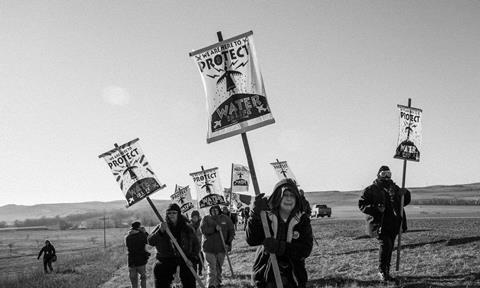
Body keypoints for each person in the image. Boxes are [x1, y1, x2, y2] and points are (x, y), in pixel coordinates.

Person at [246, 178, 313, 288]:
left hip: (293, 278)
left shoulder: (302, 220)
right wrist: (255, 216)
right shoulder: (266, 216)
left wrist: (280, 247)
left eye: (292, 195)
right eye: (285, 195)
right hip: (265, 276)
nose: (289, 199)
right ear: (278, 196)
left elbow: (305, 250)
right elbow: (252, 239)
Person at [358, 165, 411, 281]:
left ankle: (386, 270)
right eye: (383, 174)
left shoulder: (395, 188)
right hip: (380, 223)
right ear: (378, 175)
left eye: (388, 173)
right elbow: (362, 205)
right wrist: (376, 208)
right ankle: (382, 271)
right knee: (385, 245)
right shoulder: (371, 189)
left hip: (394, 222)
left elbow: (404, 202)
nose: (386, 176)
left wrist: (405, 194)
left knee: (390, 246)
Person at [148, 203, 200, 288]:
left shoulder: (187, 228)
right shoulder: (162, 226)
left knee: (190, 282)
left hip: (185, 259)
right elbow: (150, 241)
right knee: (159, 271)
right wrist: (160, 231)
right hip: (166, 259)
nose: (171, 215)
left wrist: (192, 258)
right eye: (169, 213)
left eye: (174, 213)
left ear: (178, 214)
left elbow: (196, 245)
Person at [201, 205, 235, 288]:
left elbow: (231, 231)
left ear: (219, 210)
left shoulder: (226, 219)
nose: (214, 211)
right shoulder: (206, 219)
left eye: (216, 210)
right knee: (212, 267)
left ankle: (218, 283)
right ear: (210, 211)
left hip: (221, 248)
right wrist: (214, 229)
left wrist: (228, 243)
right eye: (212, 210)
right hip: (209, 248)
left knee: (218, 267)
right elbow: (203, 230)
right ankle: (211, 285)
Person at [125, 221, 150, 288]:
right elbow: (150, 240)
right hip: (141, 260)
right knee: (143, 277)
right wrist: (144, 232)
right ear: (139, 227)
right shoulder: (142, 235)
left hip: (131, 261)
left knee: (133, 280)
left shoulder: (128, 236)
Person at [190, 210, 205, 276]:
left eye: (196, 217)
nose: (195, 218)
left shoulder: (201, 224)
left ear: (198, 217)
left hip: (199, 244)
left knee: (201, 258)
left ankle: (200, 272)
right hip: (192, 246)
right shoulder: (190, 225)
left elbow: (202, 232)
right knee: (194, 260)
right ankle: (195, 272)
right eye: (193, 217)